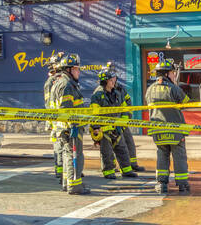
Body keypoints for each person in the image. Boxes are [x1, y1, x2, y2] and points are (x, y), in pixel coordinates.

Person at [145, 60, 190, 194]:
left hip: (158, 130)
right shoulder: (173, 88)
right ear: (166, 73)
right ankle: (182, 185)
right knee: (179, 157)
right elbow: (186, 103)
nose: (174, 75)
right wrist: (176, 86)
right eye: (172, 73)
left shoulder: (150, 89)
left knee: (162, 156)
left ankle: (161, 184)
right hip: (175, 130)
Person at [51, 54, 90, 195]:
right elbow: (65, 109)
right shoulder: (66, 85)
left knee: (68, 156)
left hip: (66, 127)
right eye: (76, 69)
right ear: (69, 70)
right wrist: (72, 125)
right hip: (70, 128)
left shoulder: (63, 83)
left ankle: (68, 184)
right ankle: (74, 186)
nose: (79, 72)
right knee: (75, 156)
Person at [90, 67, 137, 180]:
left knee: (122, 150)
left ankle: (126, 170)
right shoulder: (98, 95)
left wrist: (123, 122)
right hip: (104, 129)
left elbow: (124, 108)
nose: (114, 81)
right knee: (107, 153)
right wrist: (96, 128)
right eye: (112, 80)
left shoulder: (117, 93)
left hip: (117, 128)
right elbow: (94, 114)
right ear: (106, 81)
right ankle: (109, 171)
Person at [113, 73, 145, 171]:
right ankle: (112, 167)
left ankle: (133, 164)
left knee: (129, 142)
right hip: (111, 124)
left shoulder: (120, 89)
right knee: (110, 147)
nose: (113, 79)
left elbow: (128, 103)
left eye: (114, 77)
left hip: (123, 122)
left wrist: (126, 119)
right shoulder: (102, 91)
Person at [44, 52, 64, 186]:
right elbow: (49, 104)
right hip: (56, 120)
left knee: (63, 145)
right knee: (58, 146)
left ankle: (65, 170)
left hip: (59, 119)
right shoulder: (51, 82)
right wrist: (52, 122)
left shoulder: (62, 79)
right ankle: (60, 171)